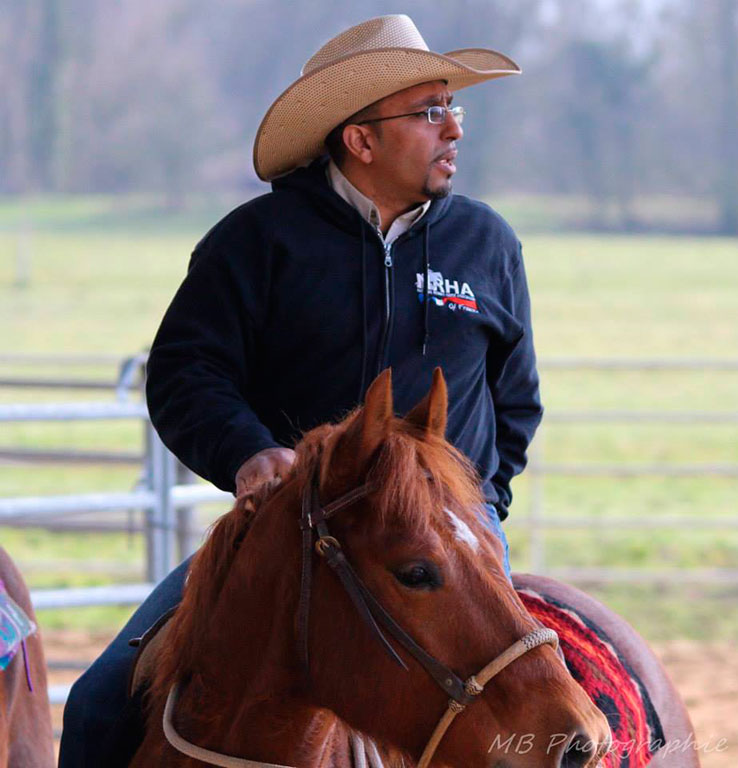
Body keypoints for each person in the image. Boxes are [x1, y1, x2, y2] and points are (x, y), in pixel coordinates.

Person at [59, 14, 542, 766]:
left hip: (449, 545)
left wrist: (475, 512)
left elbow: (517, 402)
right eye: (430, 111)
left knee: (532, 726)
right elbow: (189, 371)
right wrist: (249, 454)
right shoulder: (256, 243)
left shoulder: (488, 244)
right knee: (100, 704)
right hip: (291, 537)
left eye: (455, 108)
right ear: (361, 139)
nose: (454, 129)